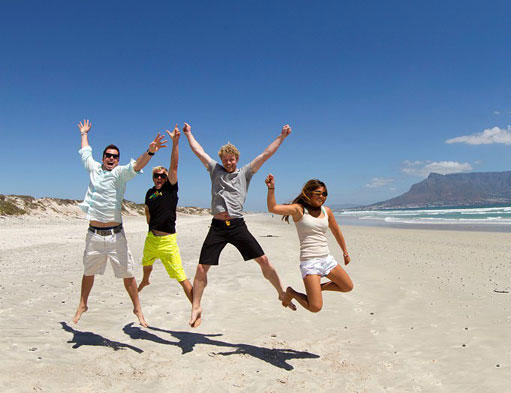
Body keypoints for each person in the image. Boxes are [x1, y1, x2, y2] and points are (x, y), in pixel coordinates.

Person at [182, 122, 296, 327]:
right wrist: (189, 134)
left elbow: (265, 154)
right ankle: (196, 305)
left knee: (263, 260)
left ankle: (281, 293)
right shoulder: (214, 170)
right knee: (201, 268)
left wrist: (282, 136)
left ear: (237, 159)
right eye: (225, 160)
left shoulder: (245, 173)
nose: (228, 163)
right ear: (221, 160)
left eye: (231, 159)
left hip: (237, 226)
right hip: (217, 227)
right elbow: (198, 151)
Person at [72, 119, 167, 327]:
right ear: (103, 157)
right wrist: (84, 133)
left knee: (128, 274)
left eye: (115, 156)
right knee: (88, 272)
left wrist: (150, 152)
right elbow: (85, 152)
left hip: (116, 236)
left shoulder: (119, 174)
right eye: (108, 155)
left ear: (118, 160)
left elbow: (137, 165)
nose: (111, 158)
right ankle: (82, 304)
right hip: (94, 235)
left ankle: (137, 308)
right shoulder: (94, 169)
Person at [265, 174, 353, 312]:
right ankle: (291, 293)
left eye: (325, 194)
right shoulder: (298, 209)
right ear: (308, 193)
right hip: (310, 262)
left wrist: (345, 252)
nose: (322, 196)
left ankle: (317, 289)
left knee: (347, 286)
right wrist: (271, 188)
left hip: (327, 259)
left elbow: (337, 232)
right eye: (318, 193)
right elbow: (273, 208)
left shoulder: (327, 211)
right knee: (315, 307)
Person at [138, 125, 193, 303]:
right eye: (156, 176)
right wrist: (150, 227)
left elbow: (174, 165)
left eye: (162, 175)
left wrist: (175, 142)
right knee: (146, 262)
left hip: (168, 241)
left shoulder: (170, 188)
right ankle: (146, 280)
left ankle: (195, 305)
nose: (159, 178)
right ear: (153, 177)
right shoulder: (149, 192)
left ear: (167, 176)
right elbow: (147, 210)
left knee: (181, 277)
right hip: (152, 238)